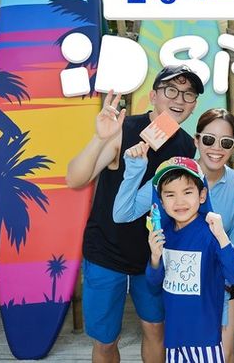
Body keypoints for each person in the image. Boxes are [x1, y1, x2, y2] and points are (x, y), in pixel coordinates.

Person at [66, 65, 203, 363]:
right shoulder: (124, 129)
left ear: (194, 105)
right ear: (153, 96)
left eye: (188, 94)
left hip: (152, 257)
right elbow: (75, 178)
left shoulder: (185, 146)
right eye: (171, 90)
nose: (179, 99)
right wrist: (100, 138)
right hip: (105, 252)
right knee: (105, 341)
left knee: (155, 329)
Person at [112, 108, 234, 363]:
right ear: (196, 140)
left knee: (226, 354)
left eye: (226, 142)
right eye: (209, 139)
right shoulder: (173, 177)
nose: (216, 148)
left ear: (201, 195)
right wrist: (134, 169)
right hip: (178, 319)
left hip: (217, 292)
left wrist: (226, 295)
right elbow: (122, 214)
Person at [145, 157, 234, 361]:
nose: (179, 202)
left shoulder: (210, 233)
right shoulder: (164, 235)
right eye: (170, 194)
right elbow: (153, 284)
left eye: (187, 192)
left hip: (205, 339)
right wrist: (155, 257)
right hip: (174, 337)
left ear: (202, 195)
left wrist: (222, 237)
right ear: (161, 201)